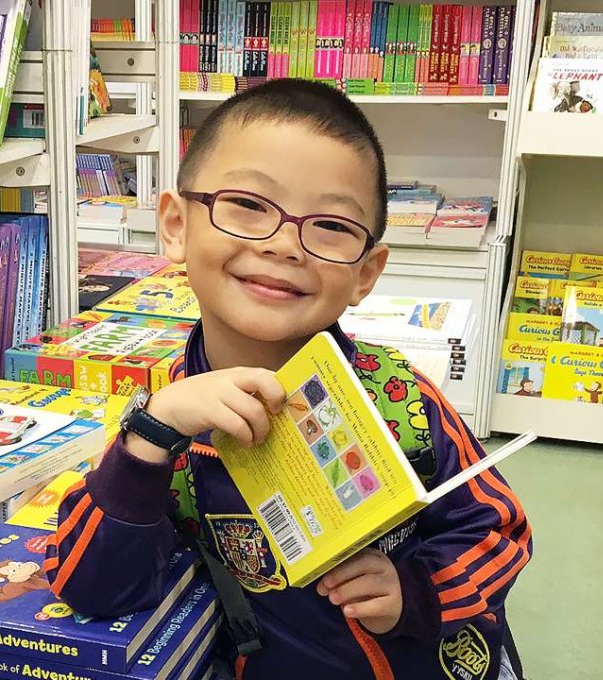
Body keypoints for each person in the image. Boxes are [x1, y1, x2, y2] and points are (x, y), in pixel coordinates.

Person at [45, 80, 531, 680]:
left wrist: (416, 591)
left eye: (330, 225)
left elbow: (498, 529)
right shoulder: (160, 414)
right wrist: (150, 439)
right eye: (247, 205)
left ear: (365, 273)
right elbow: (92, 588)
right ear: (174, 225)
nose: (282, 245)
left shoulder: (400, 398)